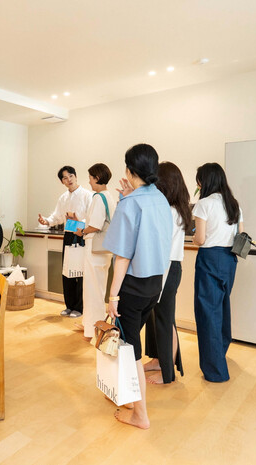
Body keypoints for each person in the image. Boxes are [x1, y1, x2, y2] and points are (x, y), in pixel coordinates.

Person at [103, 143, 172, 429]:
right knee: (130, 342)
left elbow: (122, 256)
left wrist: (113, 296)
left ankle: (140, 414)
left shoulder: (131, 204)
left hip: (131, 287)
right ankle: (131, 398)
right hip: (154, 285)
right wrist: (127, 198)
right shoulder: (161, 199)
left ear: (130, 171)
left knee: (130, 351)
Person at [192, 162, 243, 382]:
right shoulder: (233, 204)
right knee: (222, 307)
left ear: (204, 181)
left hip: (210, 258)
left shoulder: (204, 204)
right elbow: (241, 235)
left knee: (207, 313)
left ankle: (216, 371)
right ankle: (219, 352)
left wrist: (195, 236)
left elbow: (200, 239)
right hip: (229, 259)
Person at [144, 161, 191, 384]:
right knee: (156, 318)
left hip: (167, 268)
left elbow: (158, 241)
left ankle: (167, 371)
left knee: (165, 320)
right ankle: (158, 359)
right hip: (164, 267)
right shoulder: (174, 209)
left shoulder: (170, 211)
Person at [38, 166, 93, 318]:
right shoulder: (63, 198)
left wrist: (78, 221)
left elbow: (91, 218)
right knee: (67, 270)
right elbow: (56, 217)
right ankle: (69, 306)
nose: (68, 180)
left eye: (70, 176)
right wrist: (46, 221)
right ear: (62, 181)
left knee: (79, 273)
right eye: (65, 178)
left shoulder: (87, 195)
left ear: (75, 176)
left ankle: (79, 307)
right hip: (68, 235)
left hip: (82, 235)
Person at [73, 163, 117, 339]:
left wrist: (82, 231)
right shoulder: (109, 196)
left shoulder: (99, 197)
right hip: (104, 251)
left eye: (91, 178)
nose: (89, 182)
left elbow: (96, 225)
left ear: (97, 178)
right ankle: (88, 325)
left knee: (93, 291)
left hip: (95, 250)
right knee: (96, 289)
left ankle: (94, 330)